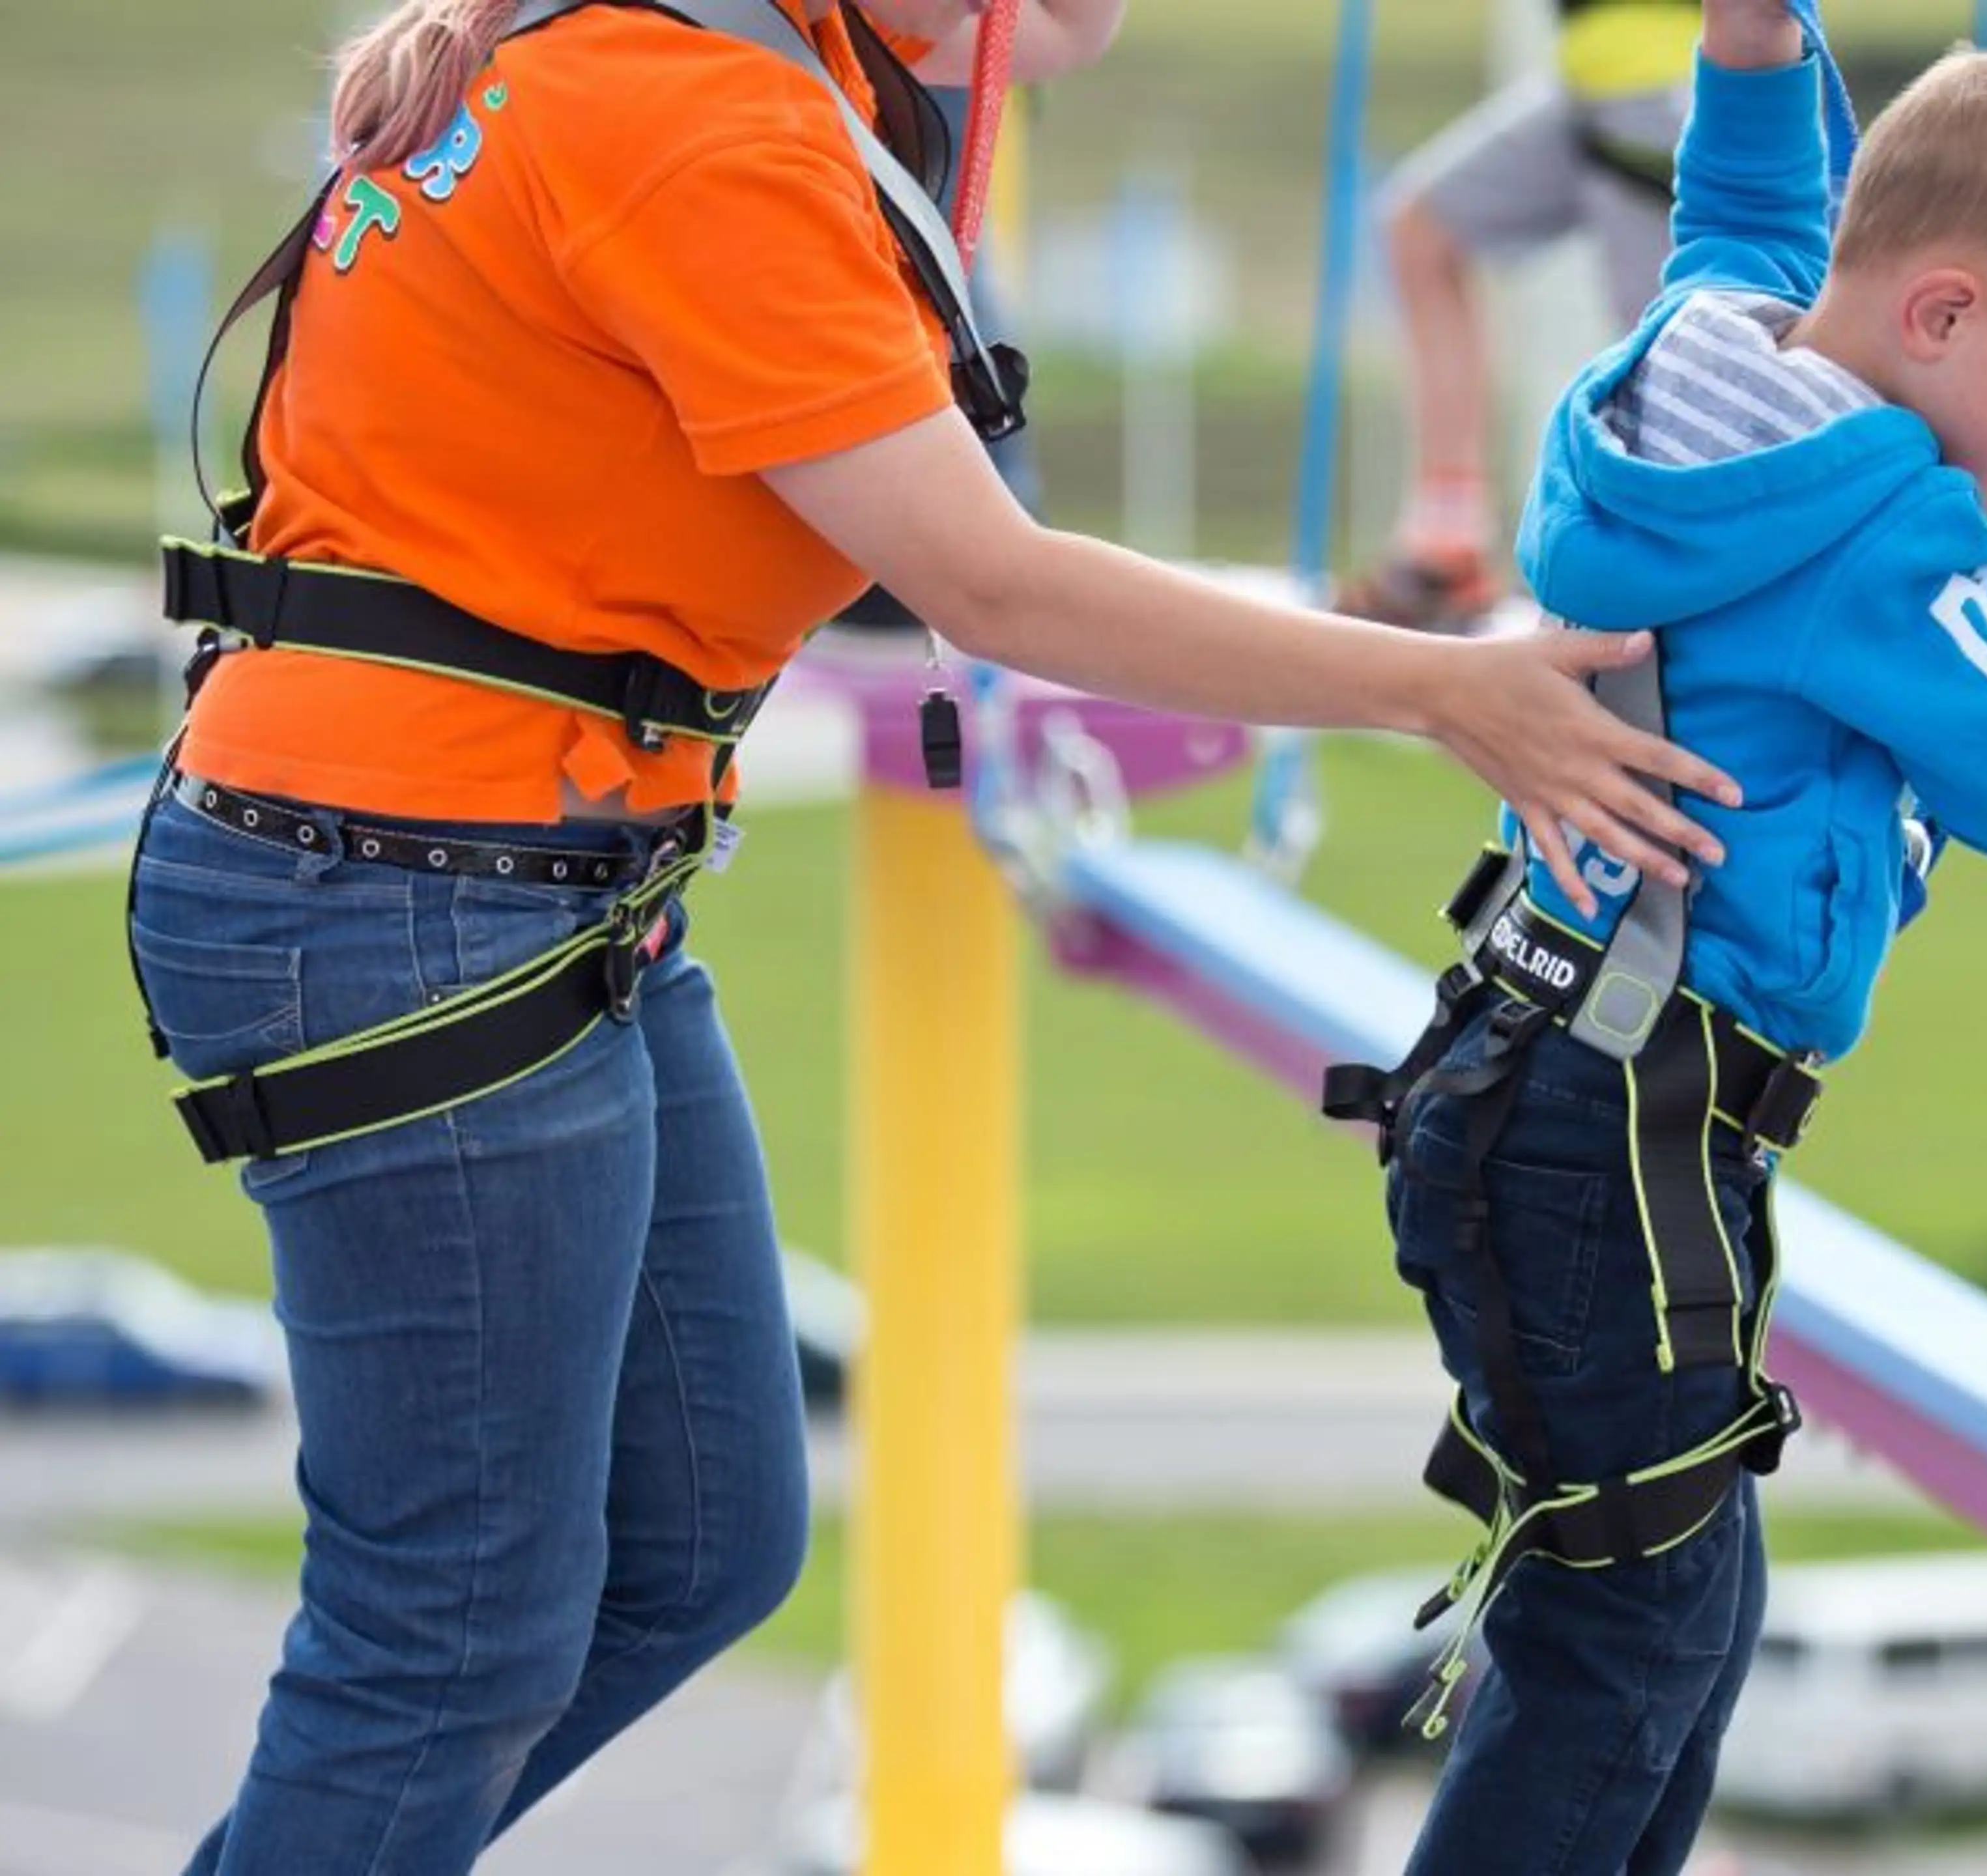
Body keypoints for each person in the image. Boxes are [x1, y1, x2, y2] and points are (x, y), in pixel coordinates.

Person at [128, 0, 1752, 1871]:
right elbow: (986, 582)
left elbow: (1047, 35)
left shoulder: (721, 48)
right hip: (412, 896)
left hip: (515, 881)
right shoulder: (699, 121)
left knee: (693, 1552)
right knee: (451, 1637)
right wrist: (1449, 689)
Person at [1346, 3, 1987, 1871]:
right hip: (1615, 1140)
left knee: (1680, 1623)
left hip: (1552, 1092)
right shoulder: (1885, 536)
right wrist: (1968, 536)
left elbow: (1744, 198)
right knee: (1626, 1638)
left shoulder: (1704, 347)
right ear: (1950, 319)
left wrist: (1757, 40)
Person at [1335, 0, 1702, 632]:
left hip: (1672, 76)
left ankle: (1691, 589)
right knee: (1422, 230)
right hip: (1594, 78)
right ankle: (1447, 537)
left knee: (1674, 351)